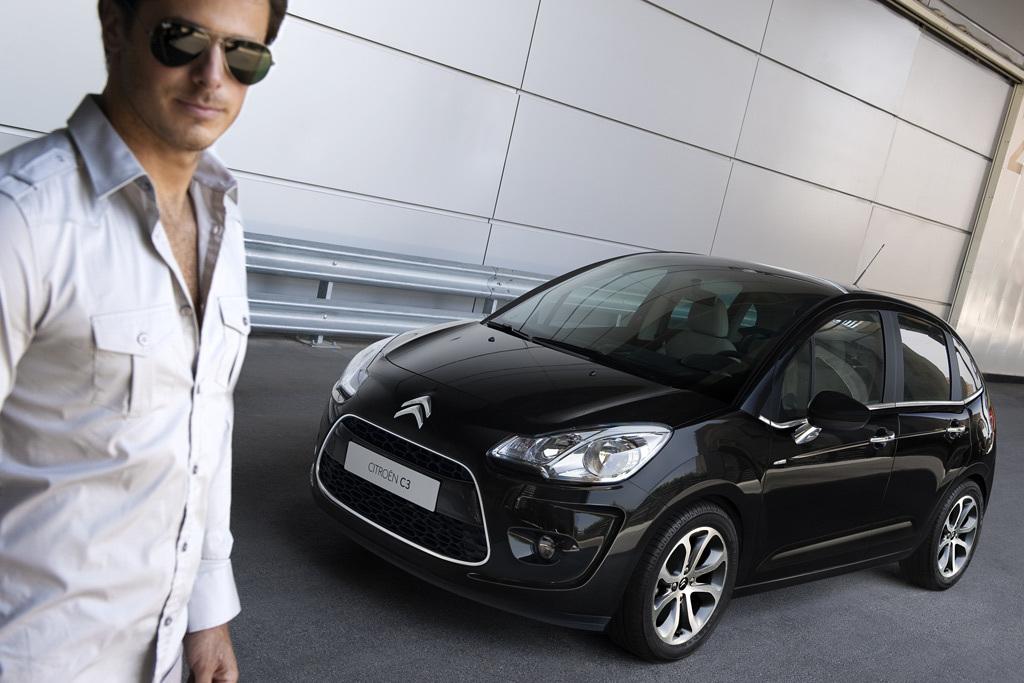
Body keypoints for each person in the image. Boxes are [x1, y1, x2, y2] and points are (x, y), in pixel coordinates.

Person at [0, 0, 287, 680]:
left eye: (243, 56)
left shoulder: (222, 219)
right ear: (114, 27)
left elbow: (205, 426)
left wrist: (207, 617)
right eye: (181, 39)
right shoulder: (23, 219)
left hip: (158, 658)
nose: (212, 76)